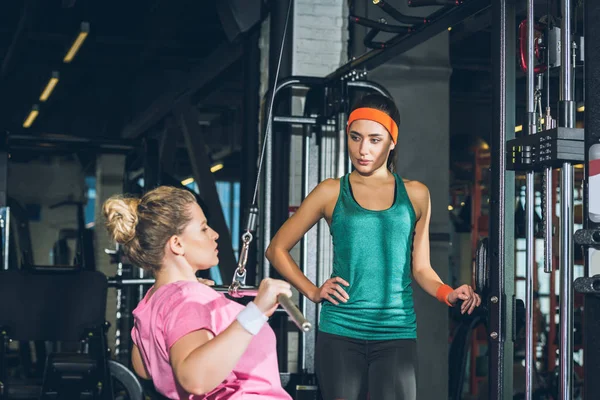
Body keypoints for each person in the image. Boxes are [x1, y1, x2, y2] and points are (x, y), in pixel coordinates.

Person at [265, 93, 482, 400]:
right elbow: (276, 249)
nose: (363, 149)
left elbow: (420, 267)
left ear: (392, 141)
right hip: (340, 330)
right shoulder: (331, 191)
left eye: (374, 139)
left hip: (396, 331)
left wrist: (448, 293)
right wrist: (313, 292)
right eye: (355, 138)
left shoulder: (416, 194)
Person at [103, 186, 292, 399]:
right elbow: (196, 379)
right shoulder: (188, 298)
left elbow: (145, 368)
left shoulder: (154, 299)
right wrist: (257, 312)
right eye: (203, 228)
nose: (214, 234)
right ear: (177, 244)